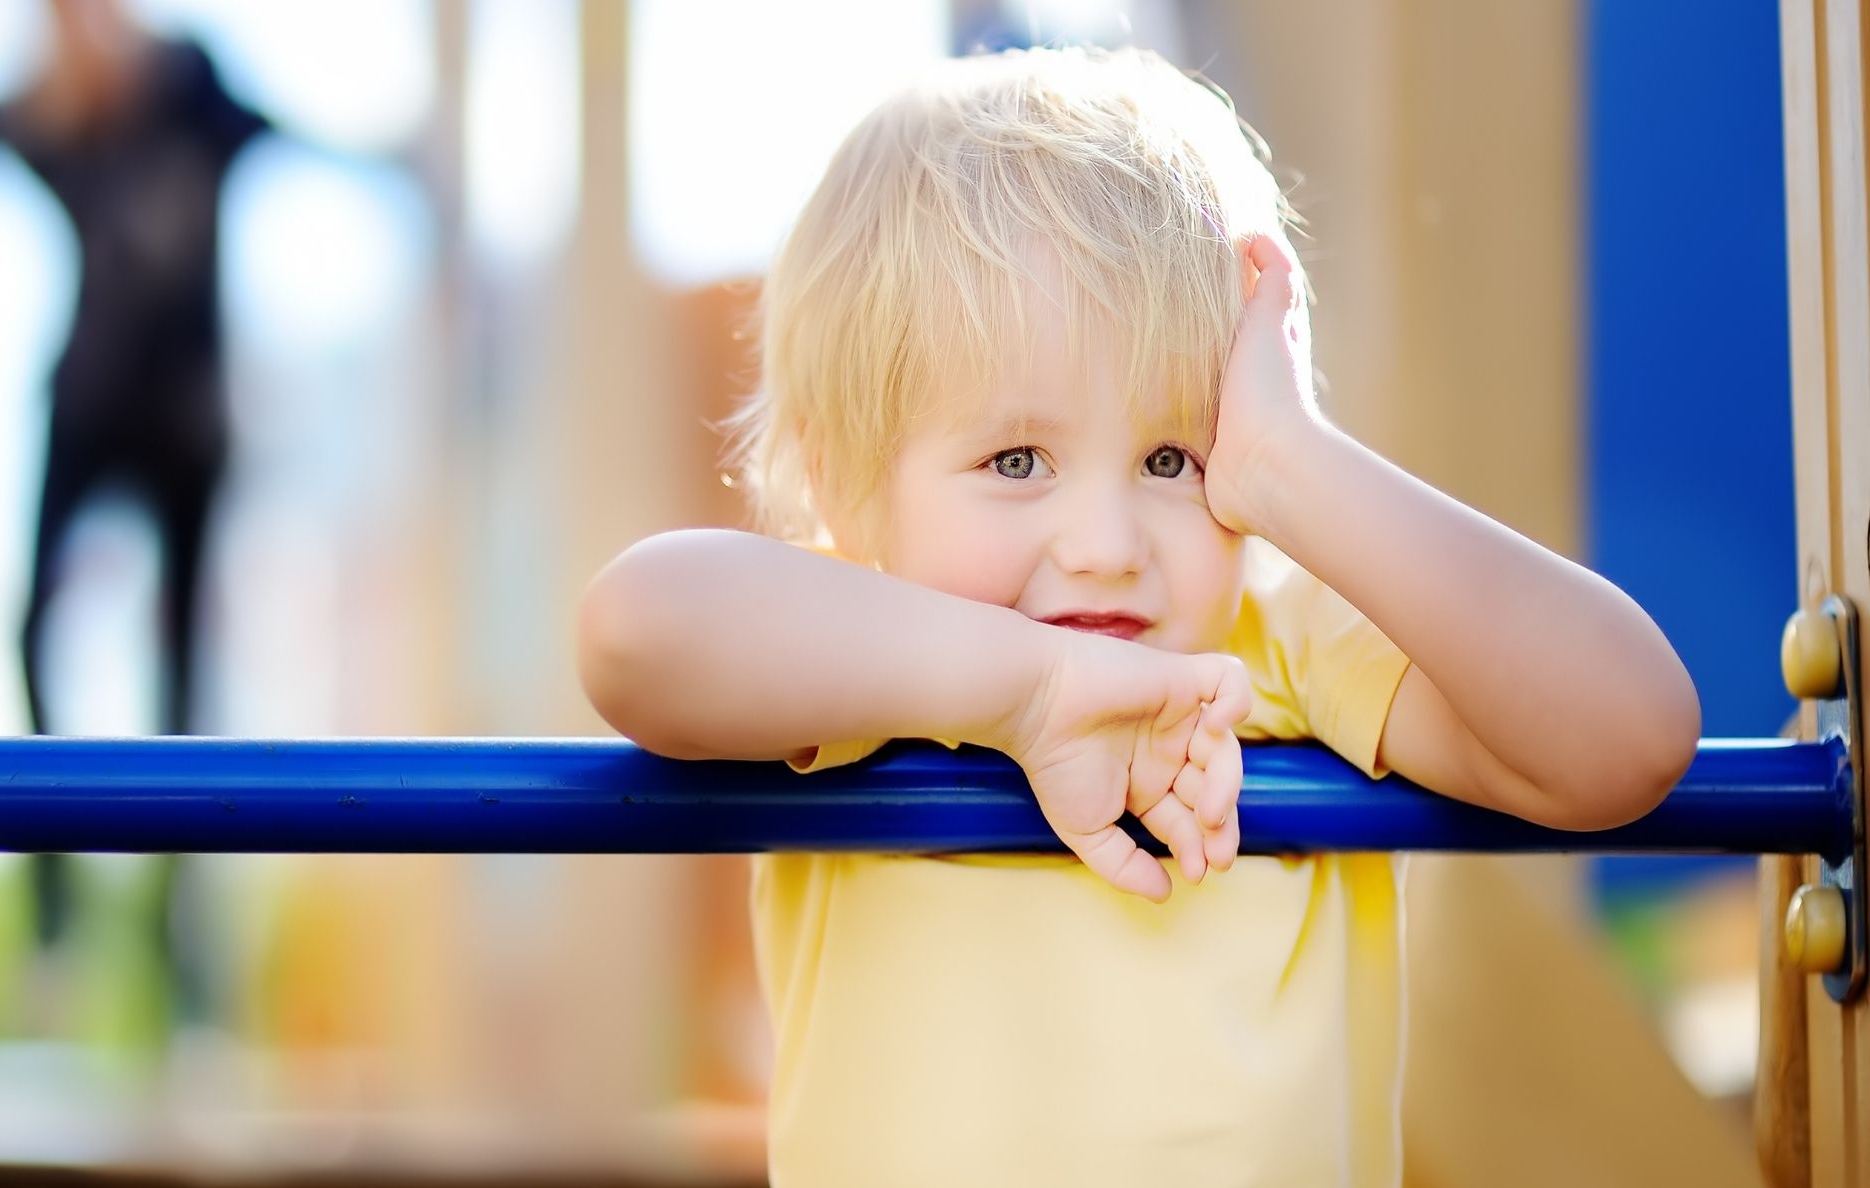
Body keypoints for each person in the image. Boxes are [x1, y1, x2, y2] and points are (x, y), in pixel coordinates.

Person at [576, 46, 1699, 1186]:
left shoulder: (1279, 648)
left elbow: (1628, 738)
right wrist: (1025, 692)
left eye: (1174, 456)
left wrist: (1289, 465)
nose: (1108, 547)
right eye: (1016, 459)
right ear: (840, 480)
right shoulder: (860, 655)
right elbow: (633, 631)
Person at [0, 0, 268, 1029]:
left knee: (185, 674)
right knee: (32, 622)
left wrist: (403, 173)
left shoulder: (192, 85)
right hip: (92, 405)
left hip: (185, 425)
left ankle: (178, 932)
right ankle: (52, 902)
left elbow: (288, 138)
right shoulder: (47, 117)